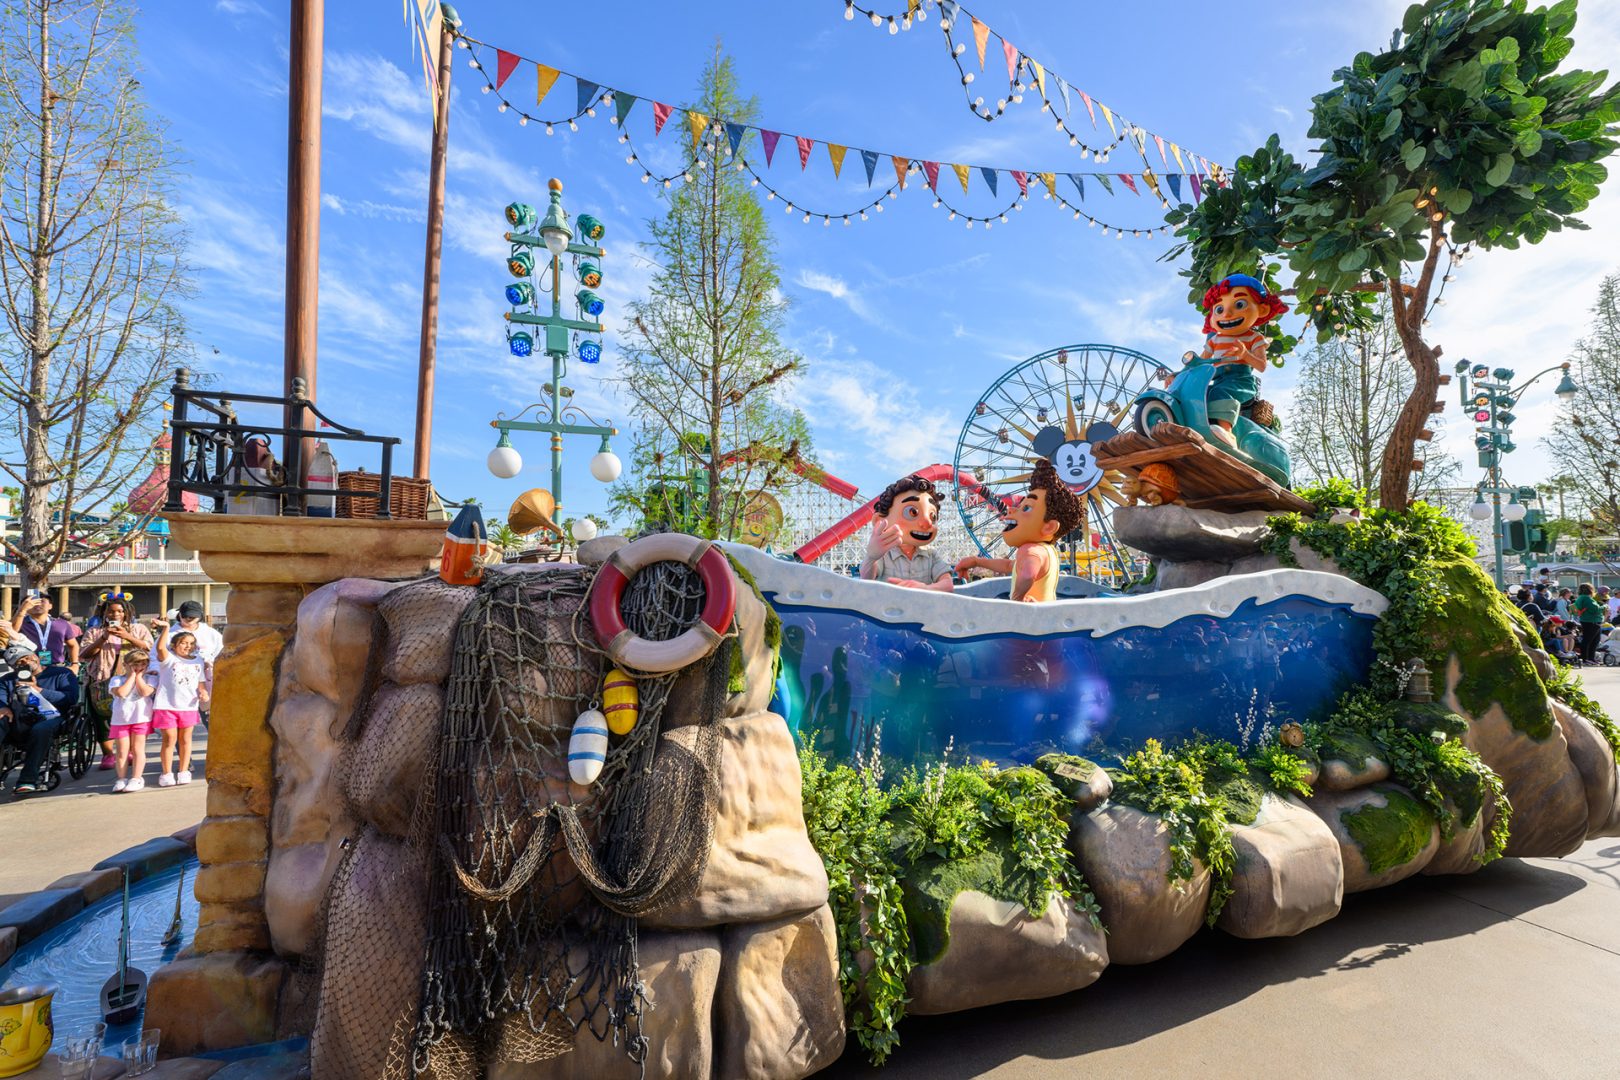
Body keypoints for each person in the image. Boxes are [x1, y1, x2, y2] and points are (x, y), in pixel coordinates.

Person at [954, 459, 1087, 602]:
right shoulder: (1048, 551)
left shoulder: (1031, 550)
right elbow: (1010, 566)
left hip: (1028, 620)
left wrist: (1017, 599)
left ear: (1049, 527)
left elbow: (1028, 575)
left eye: (1026, 508)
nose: (1011, 509)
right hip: (1046, 618)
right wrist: (976, 561)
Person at [1197, 273, 1289, 447]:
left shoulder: (1254, 337)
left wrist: (1245, 355)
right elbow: (1198, 363)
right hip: (1217, 378)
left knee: (1220, 392)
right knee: (1199, 393)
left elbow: (1261, 366)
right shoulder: (1214, 340)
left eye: (1239, 304)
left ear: (1261, 310)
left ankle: (1227, 432)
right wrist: (1178, 374)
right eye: (1219, 309)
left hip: (1241, 381)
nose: (1227, 314)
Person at [78, 592, 154, 770]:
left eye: (120, 611)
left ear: (127, 612)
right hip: (102, 679)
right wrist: (103, 638)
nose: (115, 615)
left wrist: (127, 636)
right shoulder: (95, 631)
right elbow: (84, 655)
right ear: (104, 613)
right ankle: (108, 754)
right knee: (104, 718)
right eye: (111, 612)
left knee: (134, 714)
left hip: (134, 679)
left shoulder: (139, 629)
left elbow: (149, 648)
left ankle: (130, 750)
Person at [0, 648, 78, 795]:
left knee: (41, 729)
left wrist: (38, 689)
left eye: (27, 657)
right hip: (18, 717)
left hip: (52, 717)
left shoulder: (61, 673)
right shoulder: (7, 680)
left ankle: (27, 779)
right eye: (19, 662)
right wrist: (3, 707)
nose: (25, 662)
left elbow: (70, 699)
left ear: (35, 656)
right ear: (13, 667)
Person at [860, 475, 955, 591]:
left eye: (933, 516)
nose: (927, 523)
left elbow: (948, 585)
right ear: (879, 520)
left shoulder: (931, 554)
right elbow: (867, 579)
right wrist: (871, 558)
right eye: (912, 512)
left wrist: (926, 589)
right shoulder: (884, 555)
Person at [149, 619, 207, 787]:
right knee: (169, 739)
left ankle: (183, 771)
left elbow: (200, 682)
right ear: (174, 645)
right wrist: (166, 628)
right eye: (183, 643)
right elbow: (160, 648)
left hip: (188, 706)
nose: (188, 646)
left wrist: (203, 692)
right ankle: (166, 773)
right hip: (166, 705)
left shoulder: (198, 661)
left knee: (186, 739)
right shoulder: (168, 659)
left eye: (191, 643)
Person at [107, 646, 154, 793]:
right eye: (135, 664)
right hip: (120, 720)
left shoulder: (150, 679)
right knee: (122, 751)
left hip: (141, 719)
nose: (139, 667)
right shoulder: (116, 680)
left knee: (137, 749)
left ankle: (136, 778)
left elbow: (145, 692)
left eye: (142, 664)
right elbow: (122, 693)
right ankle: (121, 778)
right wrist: (132, 676)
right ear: (125, 664)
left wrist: (139, 677)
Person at [11, 589, 81, 666]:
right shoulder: (20, 623)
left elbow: (73, 645)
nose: (37, 604)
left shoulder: (61, 624)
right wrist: (22, 611)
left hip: (57, 668)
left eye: (42, 601)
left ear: (50, 606)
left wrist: (75, 664)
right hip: (28, 668)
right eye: (33, 602)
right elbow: (12, 632)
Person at [1573, 582, 1604, 665]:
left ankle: (1590, 658)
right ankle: (1586, 658)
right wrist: (1604, 606)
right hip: (1592, 622)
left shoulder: (1580, 598)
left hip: (1587, 621)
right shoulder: (1587, 598)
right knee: (1589, 640)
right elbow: (1596, 609)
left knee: (1593, 640)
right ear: (1590, 590)